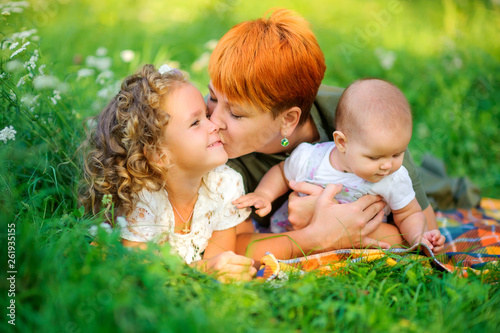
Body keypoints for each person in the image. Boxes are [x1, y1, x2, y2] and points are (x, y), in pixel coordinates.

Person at [206, 8, 439, 260]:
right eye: (212, 97)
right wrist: (316, 236)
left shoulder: (363, 120)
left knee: (436, 184)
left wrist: (341, 225)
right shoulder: (209, 140)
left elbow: (425, 234)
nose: (213, 121)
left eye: (236, 114)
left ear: (288, 119)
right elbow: (229, 248)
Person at [81, 64, 256, 282]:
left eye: (207, 114)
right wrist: (203, 271)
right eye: (195, 122)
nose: (214, 125)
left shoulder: (226, 183)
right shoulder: (144, 197)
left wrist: (218, 270)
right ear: (159, 156)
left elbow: (219, 260)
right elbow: (145, 272)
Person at [234, 78, 446, 253]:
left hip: (362, 247)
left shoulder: (394, 178)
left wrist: (419, 236)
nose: (387, 165)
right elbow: (281, 173)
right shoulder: (311, 158)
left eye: (397, 154)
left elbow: (409, 214)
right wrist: (264, 194)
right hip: (296, 239)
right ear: (342, 143)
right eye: (374, 158)